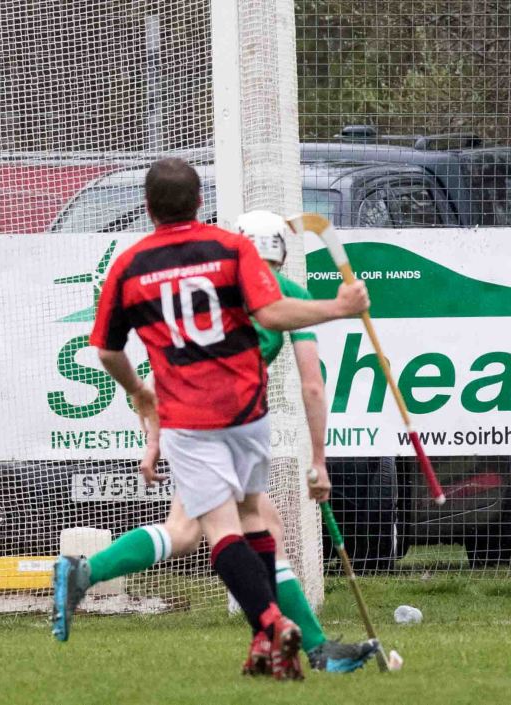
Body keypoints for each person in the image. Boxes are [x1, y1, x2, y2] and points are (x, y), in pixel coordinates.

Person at [51, 158, 369, 682]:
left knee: (214, 528)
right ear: (201, 202)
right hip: (244, 412)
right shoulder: (234, 255)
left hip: (187, 415)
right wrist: (338, 308)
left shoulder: (130, 265)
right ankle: (287, 638)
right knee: (239, 525)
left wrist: (142, 403)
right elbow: (278, 326)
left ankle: (275, 637)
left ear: (147, 208)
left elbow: (109, 352)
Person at [157, 210, 378, 673]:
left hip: (195, 416)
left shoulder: (215, 288)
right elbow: (312, 386)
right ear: (281, 248)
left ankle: (288, 641)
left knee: (260, 527)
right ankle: (82, 572)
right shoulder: (289, 294)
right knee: (187, 531)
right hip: (219, 426)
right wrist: (318, 459)